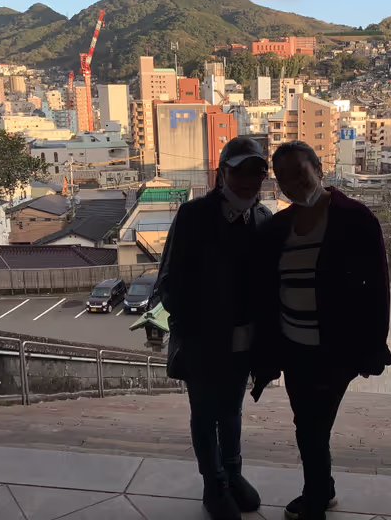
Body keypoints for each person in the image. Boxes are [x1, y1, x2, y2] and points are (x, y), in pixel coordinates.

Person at [254, 140, 391, 520]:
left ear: (319, 168)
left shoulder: (355, 218)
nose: (293, 183)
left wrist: (371, 347)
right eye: (283, 178)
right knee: (307, 422)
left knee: (313, 424)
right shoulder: (279, 226)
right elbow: (268, 289)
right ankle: (324, 489)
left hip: (336, 348)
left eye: (300, 171)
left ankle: (316, 496)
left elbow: (377, 288)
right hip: (293, 346)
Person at [157, 137, 272, 520]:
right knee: (205, 412)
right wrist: (193, 328)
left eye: (256, 171)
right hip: (203, 340)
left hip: (244, 340)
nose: (248, 180)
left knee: (233, 410)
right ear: (221, 173)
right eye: (238, 170)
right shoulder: (193, 215)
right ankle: (214, 483)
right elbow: (168, 281)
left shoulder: (263, 219)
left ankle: (234, 473)